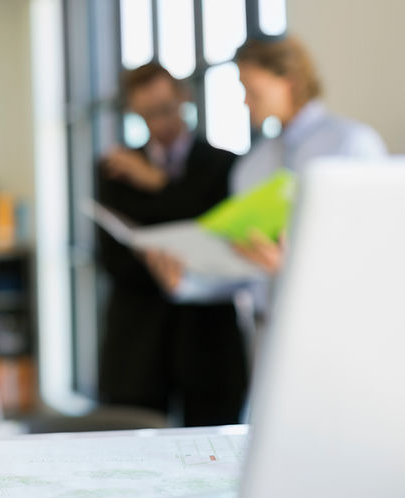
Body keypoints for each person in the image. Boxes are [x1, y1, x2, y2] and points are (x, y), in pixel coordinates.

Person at [146, 35, 388, 307]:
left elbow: (378, 253)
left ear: (289, 80)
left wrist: (293, 267)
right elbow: (245, 269)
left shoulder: (352, 145)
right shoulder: (252, 166)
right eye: (243, 90)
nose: (246, 102)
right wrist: (185, 285)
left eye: (253, 91)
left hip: (334, 323)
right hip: (266, 332)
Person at [96, 62, 247, 425]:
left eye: (165, 110)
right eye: (147, 114)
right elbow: (115, 259)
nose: (160, 124)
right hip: (138, 341)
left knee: (212, 457)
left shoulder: (224, 166)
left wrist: (156, 185)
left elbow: (216, 242)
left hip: (209, 341)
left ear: (184, 99)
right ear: (134, 112)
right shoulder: (115, 171)